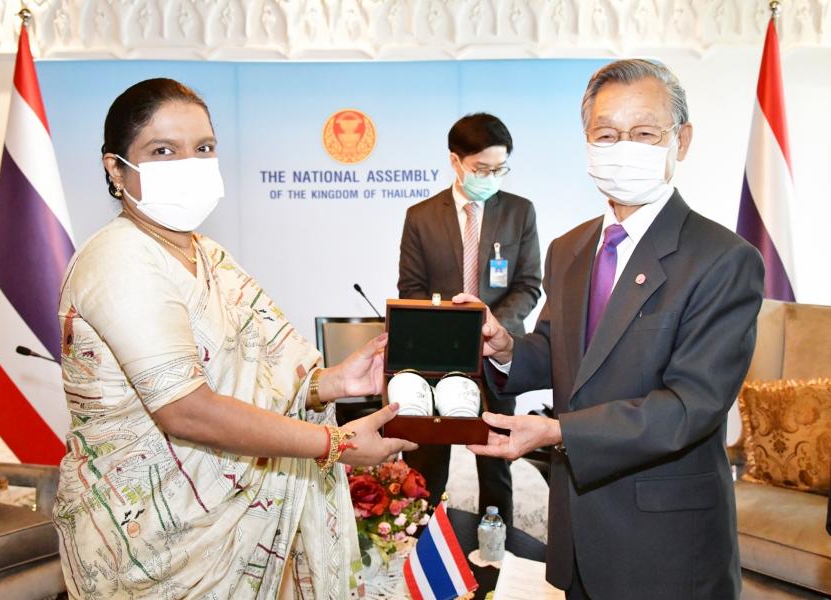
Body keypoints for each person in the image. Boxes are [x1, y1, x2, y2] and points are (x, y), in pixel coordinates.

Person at [53, 78, 417, 599]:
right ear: (116, 167)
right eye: (163, 151)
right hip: (149, 543)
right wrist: (335, 444)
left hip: (232, 528)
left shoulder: (208, 255)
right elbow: (187, 410)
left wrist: (329, 383)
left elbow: (259, 370)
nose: (190, 164)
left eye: (203, 148)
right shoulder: (118, 261)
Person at [461, 60, 764, 599]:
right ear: (587, 143)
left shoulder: (723, 259)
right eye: (606, 134)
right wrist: (506, 348)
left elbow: (690, 406)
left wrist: (559, 432)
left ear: (681, 141)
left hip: (667, 547)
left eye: (644, 133)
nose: (623, 148)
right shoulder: (570, 248)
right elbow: (559, 351)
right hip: (577, 535)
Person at [397, 113, 542, 526]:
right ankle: (421, 538)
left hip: (497, 354)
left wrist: (490, 328)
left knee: (496, 462)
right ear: (456, 161)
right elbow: (411, 289)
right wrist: (451, 335)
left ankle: (498, 546)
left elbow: (528, 284)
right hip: (436, 358)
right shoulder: (422, 216)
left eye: (500, 169)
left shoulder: (519, 212)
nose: (491, 177)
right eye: (482, 169)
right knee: (428, 462)